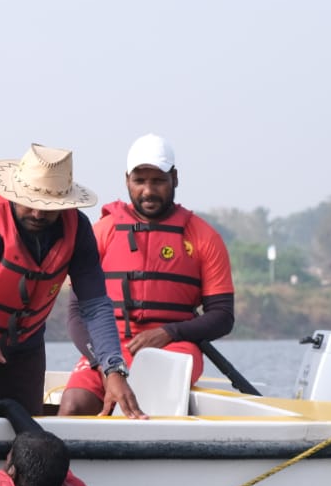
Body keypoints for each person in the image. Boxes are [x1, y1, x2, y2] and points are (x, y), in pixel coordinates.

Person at [0, 143, 144, 418]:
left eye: (49, 207)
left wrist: (113, 368)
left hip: (25, 345)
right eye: (30, 203)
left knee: (27, 425)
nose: (38, 214)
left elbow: (94, 304)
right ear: (14, 193)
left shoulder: (78, 230)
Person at [59, 134, 235, 416]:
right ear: (127, 180)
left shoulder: (204, 238)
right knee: (73, 405)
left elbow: (223, 316)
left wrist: (169, 332)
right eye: (140, 181)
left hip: (175, 348)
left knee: (148, 393)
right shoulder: (102, 232)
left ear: (175, 178)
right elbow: (76, 315)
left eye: (158, 181)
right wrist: (104, 363)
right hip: (107, 348)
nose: (148, 191)